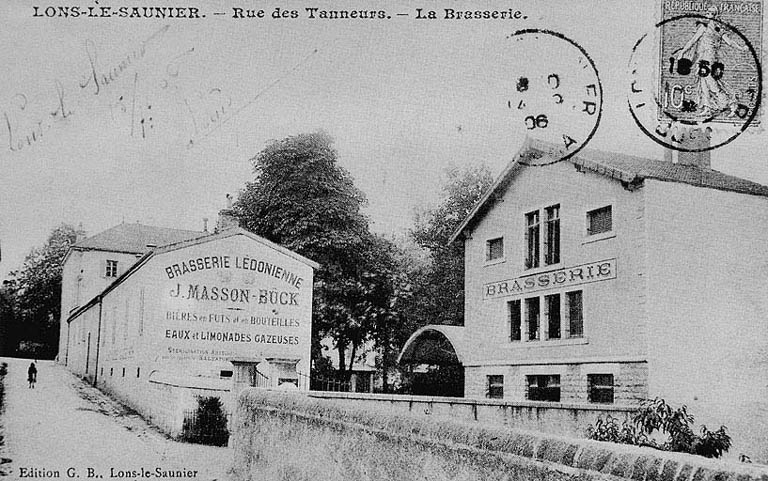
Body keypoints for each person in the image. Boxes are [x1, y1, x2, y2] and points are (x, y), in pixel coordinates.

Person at [674, 6, 749, 118]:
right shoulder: (704, 27)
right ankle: (707, 108)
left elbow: (729, 42)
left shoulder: (717, 29)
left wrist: (741, 48)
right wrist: (683, 52)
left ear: (715, 15)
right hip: (703, 59)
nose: (708, 14)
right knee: (703, 84)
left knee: (713, 85)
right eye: (708, 12)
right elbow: (692, 41)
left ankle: (732, 105)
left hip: (710, 60)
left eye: (711, 13)